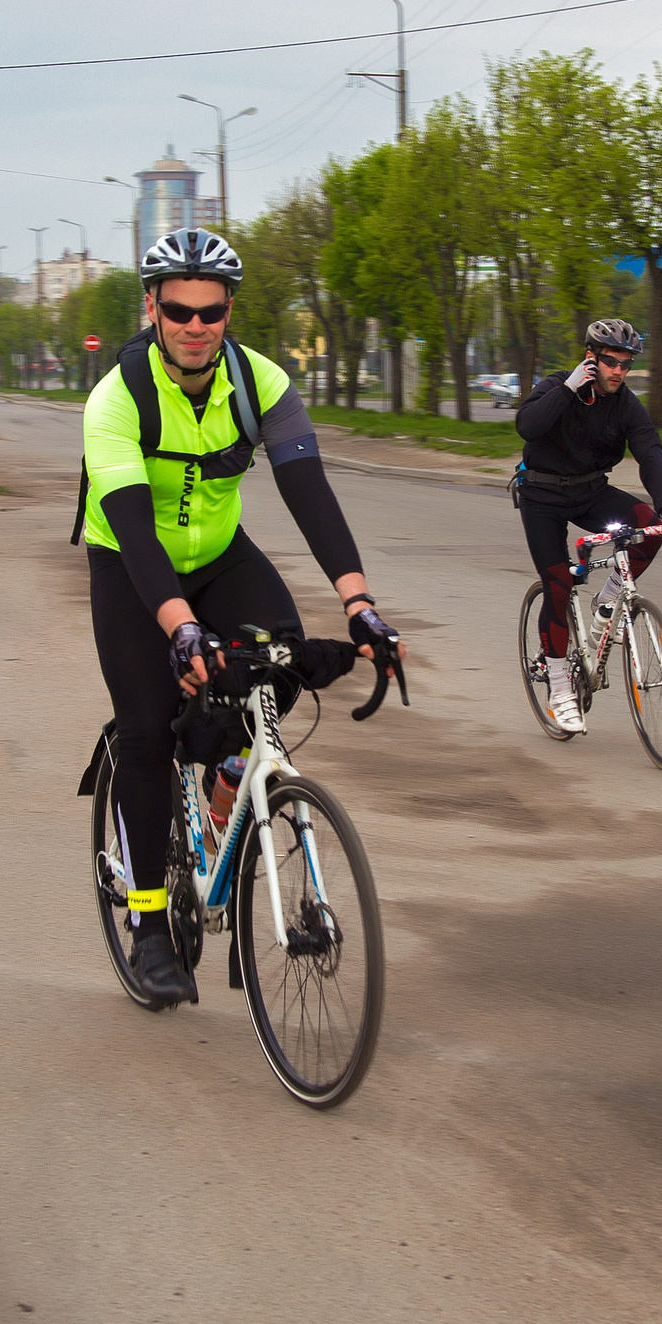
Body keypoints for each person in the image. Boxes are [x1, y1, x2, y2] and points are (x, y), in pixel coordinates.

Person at [79, 228, 397, 1008]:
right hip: (130, 563)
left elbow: (310, 495)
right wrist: (180, 625)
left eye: (211, 310)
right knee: (150, 728)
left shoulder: (261, 384)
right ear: (152, 307)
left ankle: (226, 775)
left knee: (282, 662)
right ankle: (151, 925)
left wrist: (360, 602)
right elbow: (134, 525)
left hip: (219, 553)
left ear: (229, 310)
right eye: (179, 309)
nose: (195, 325)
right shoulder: (116, 398)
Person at [513, 319, 662, 735]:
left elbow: (650, 452)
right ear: (591, 358)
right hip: (542, 496)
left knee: (650, 527)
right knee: (558, 586)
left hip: (590, 491)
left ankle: (609, 602)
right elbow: (527, 426)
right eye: (611, 362)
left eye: (625, 365)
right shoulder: (560, 385)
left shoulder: (626, 404)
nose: (618, 371)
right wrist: (567, 389)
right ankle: (559, 689)